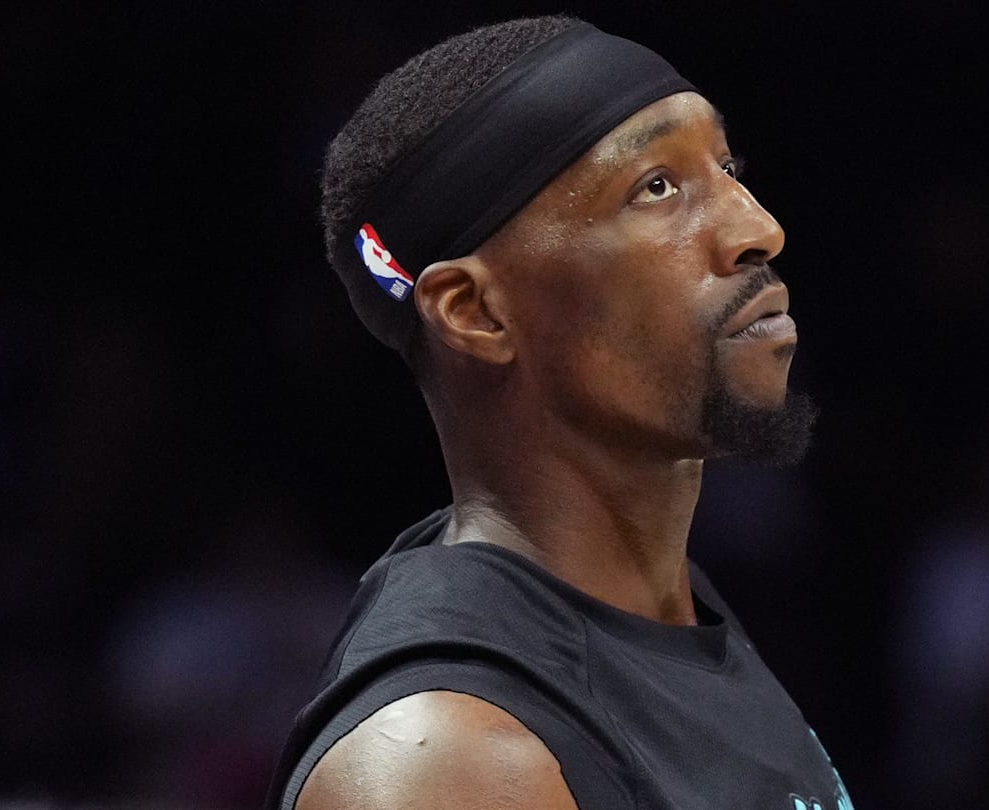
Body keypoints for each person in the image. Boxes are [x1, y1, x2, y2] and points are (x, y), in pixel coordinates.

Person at [267, 15, 852, 810]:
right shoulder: (450, 761)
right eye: (657, 188)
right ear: (476, 312)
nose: (758, 228)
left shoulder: (663, 613)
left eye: (726, 166)